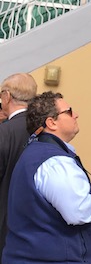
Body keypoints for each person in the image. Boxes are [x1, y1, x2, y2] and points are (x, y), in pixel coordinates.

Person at [2, 91, 91, 264]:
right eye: (69, 111)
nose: (76, 115)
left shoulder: (37, 151)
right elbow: (78, 212)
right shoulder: (56, 162)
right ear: (51, 122)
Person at [0, 73, 37, 262]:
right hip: (38, 224)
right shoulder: (44, 129)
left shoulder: (3, 132)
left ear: (6, 96)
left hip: (5, 224)